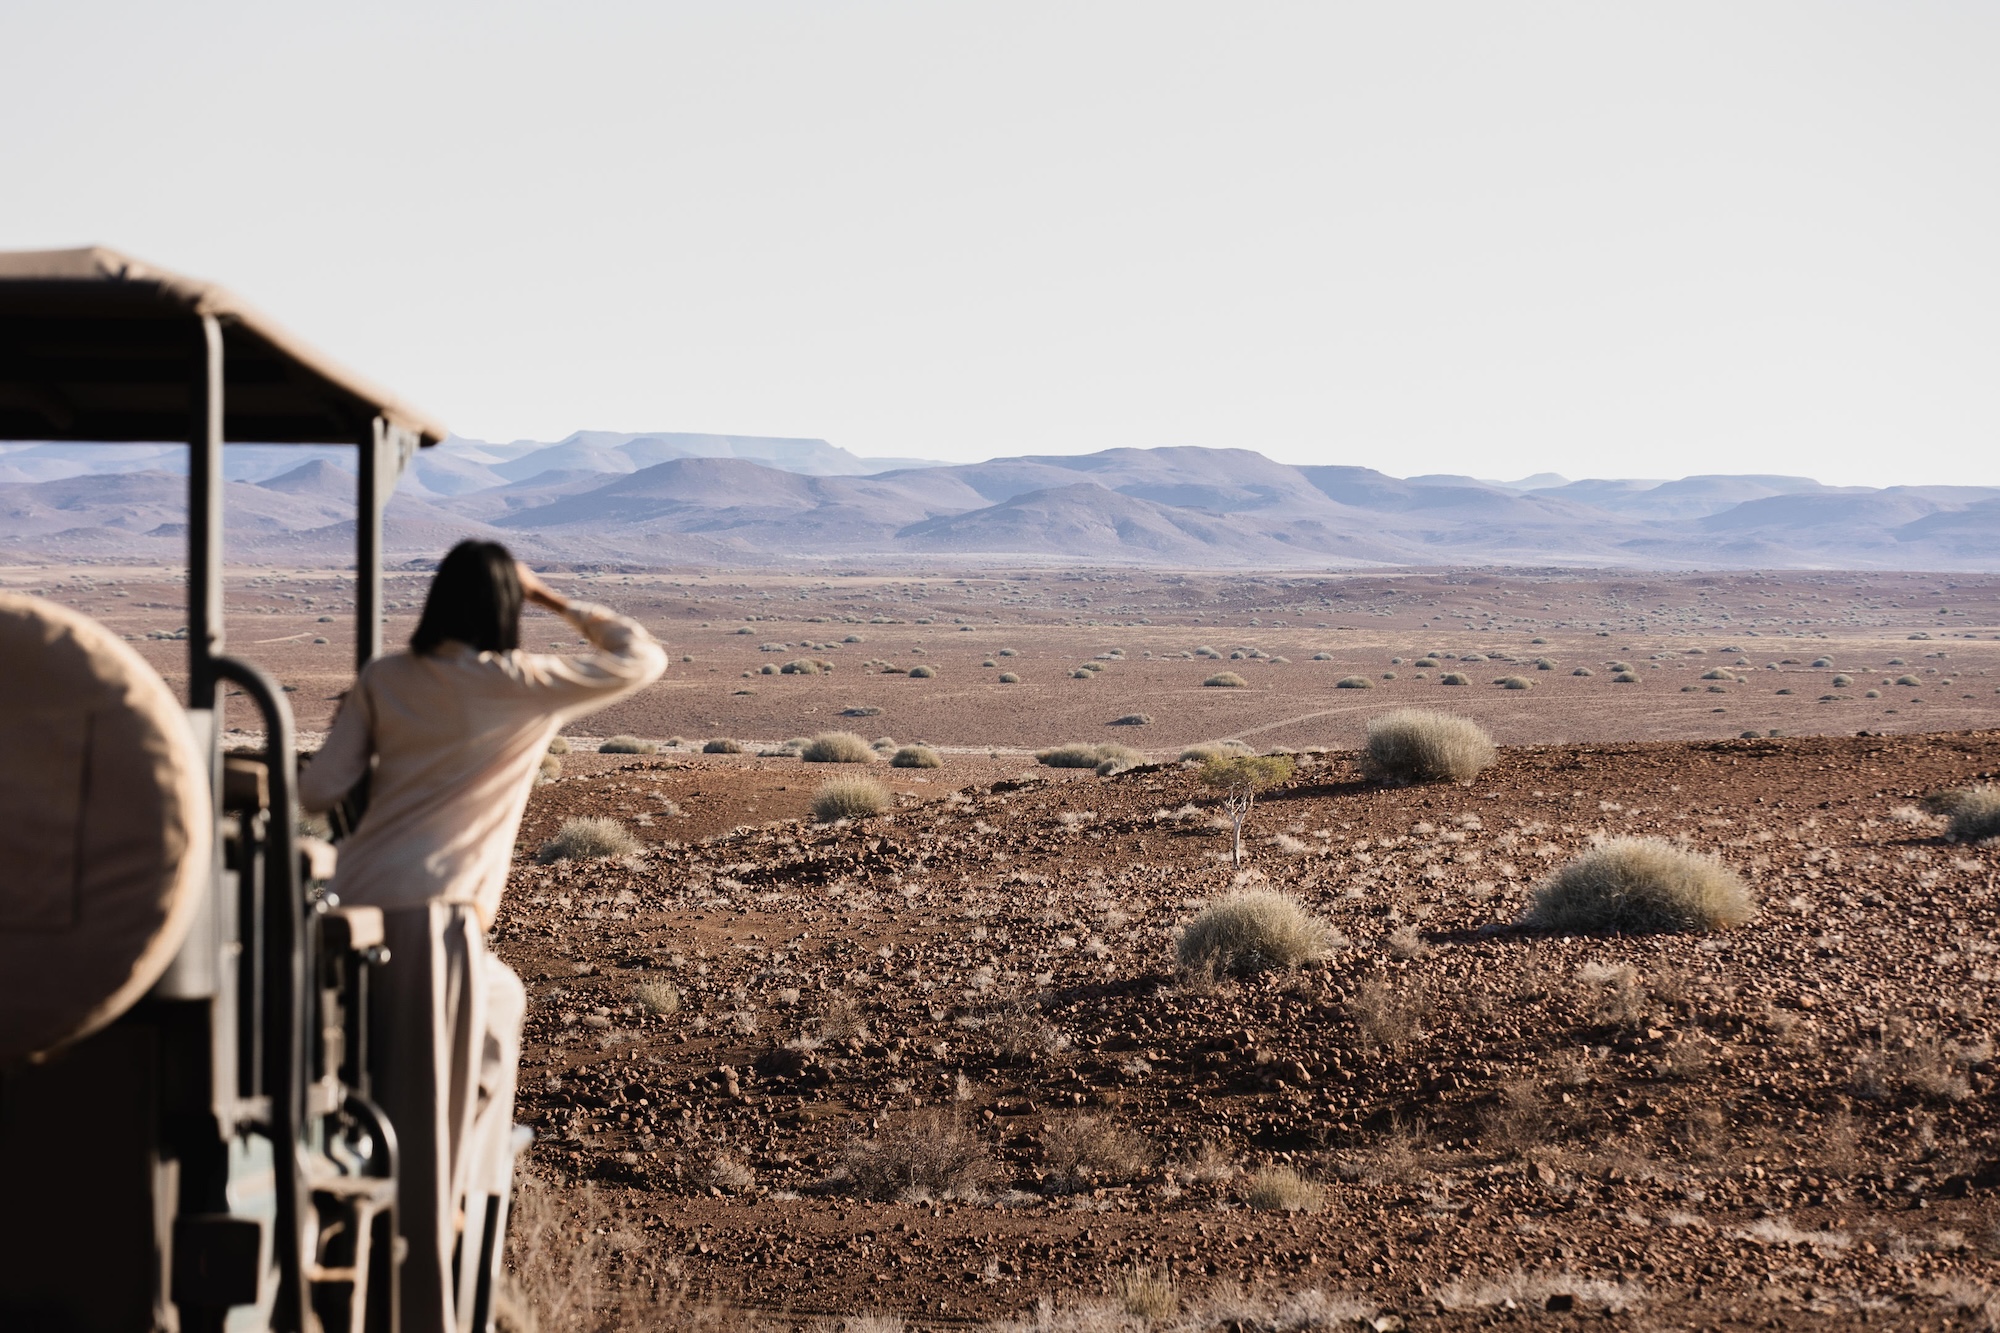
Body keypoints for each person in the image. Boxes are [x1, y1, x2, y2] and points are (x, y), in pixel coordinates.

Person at [300, 540, 666, 1333]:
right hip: (433, 928)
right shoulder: (522, 686)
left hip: (346, 910)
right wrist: (560, 602)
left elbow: (319, 787)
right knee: (422, 1142)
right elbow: (642, 657)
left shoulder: (385, 677)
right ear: (509, 606)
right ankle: (426, 1303)